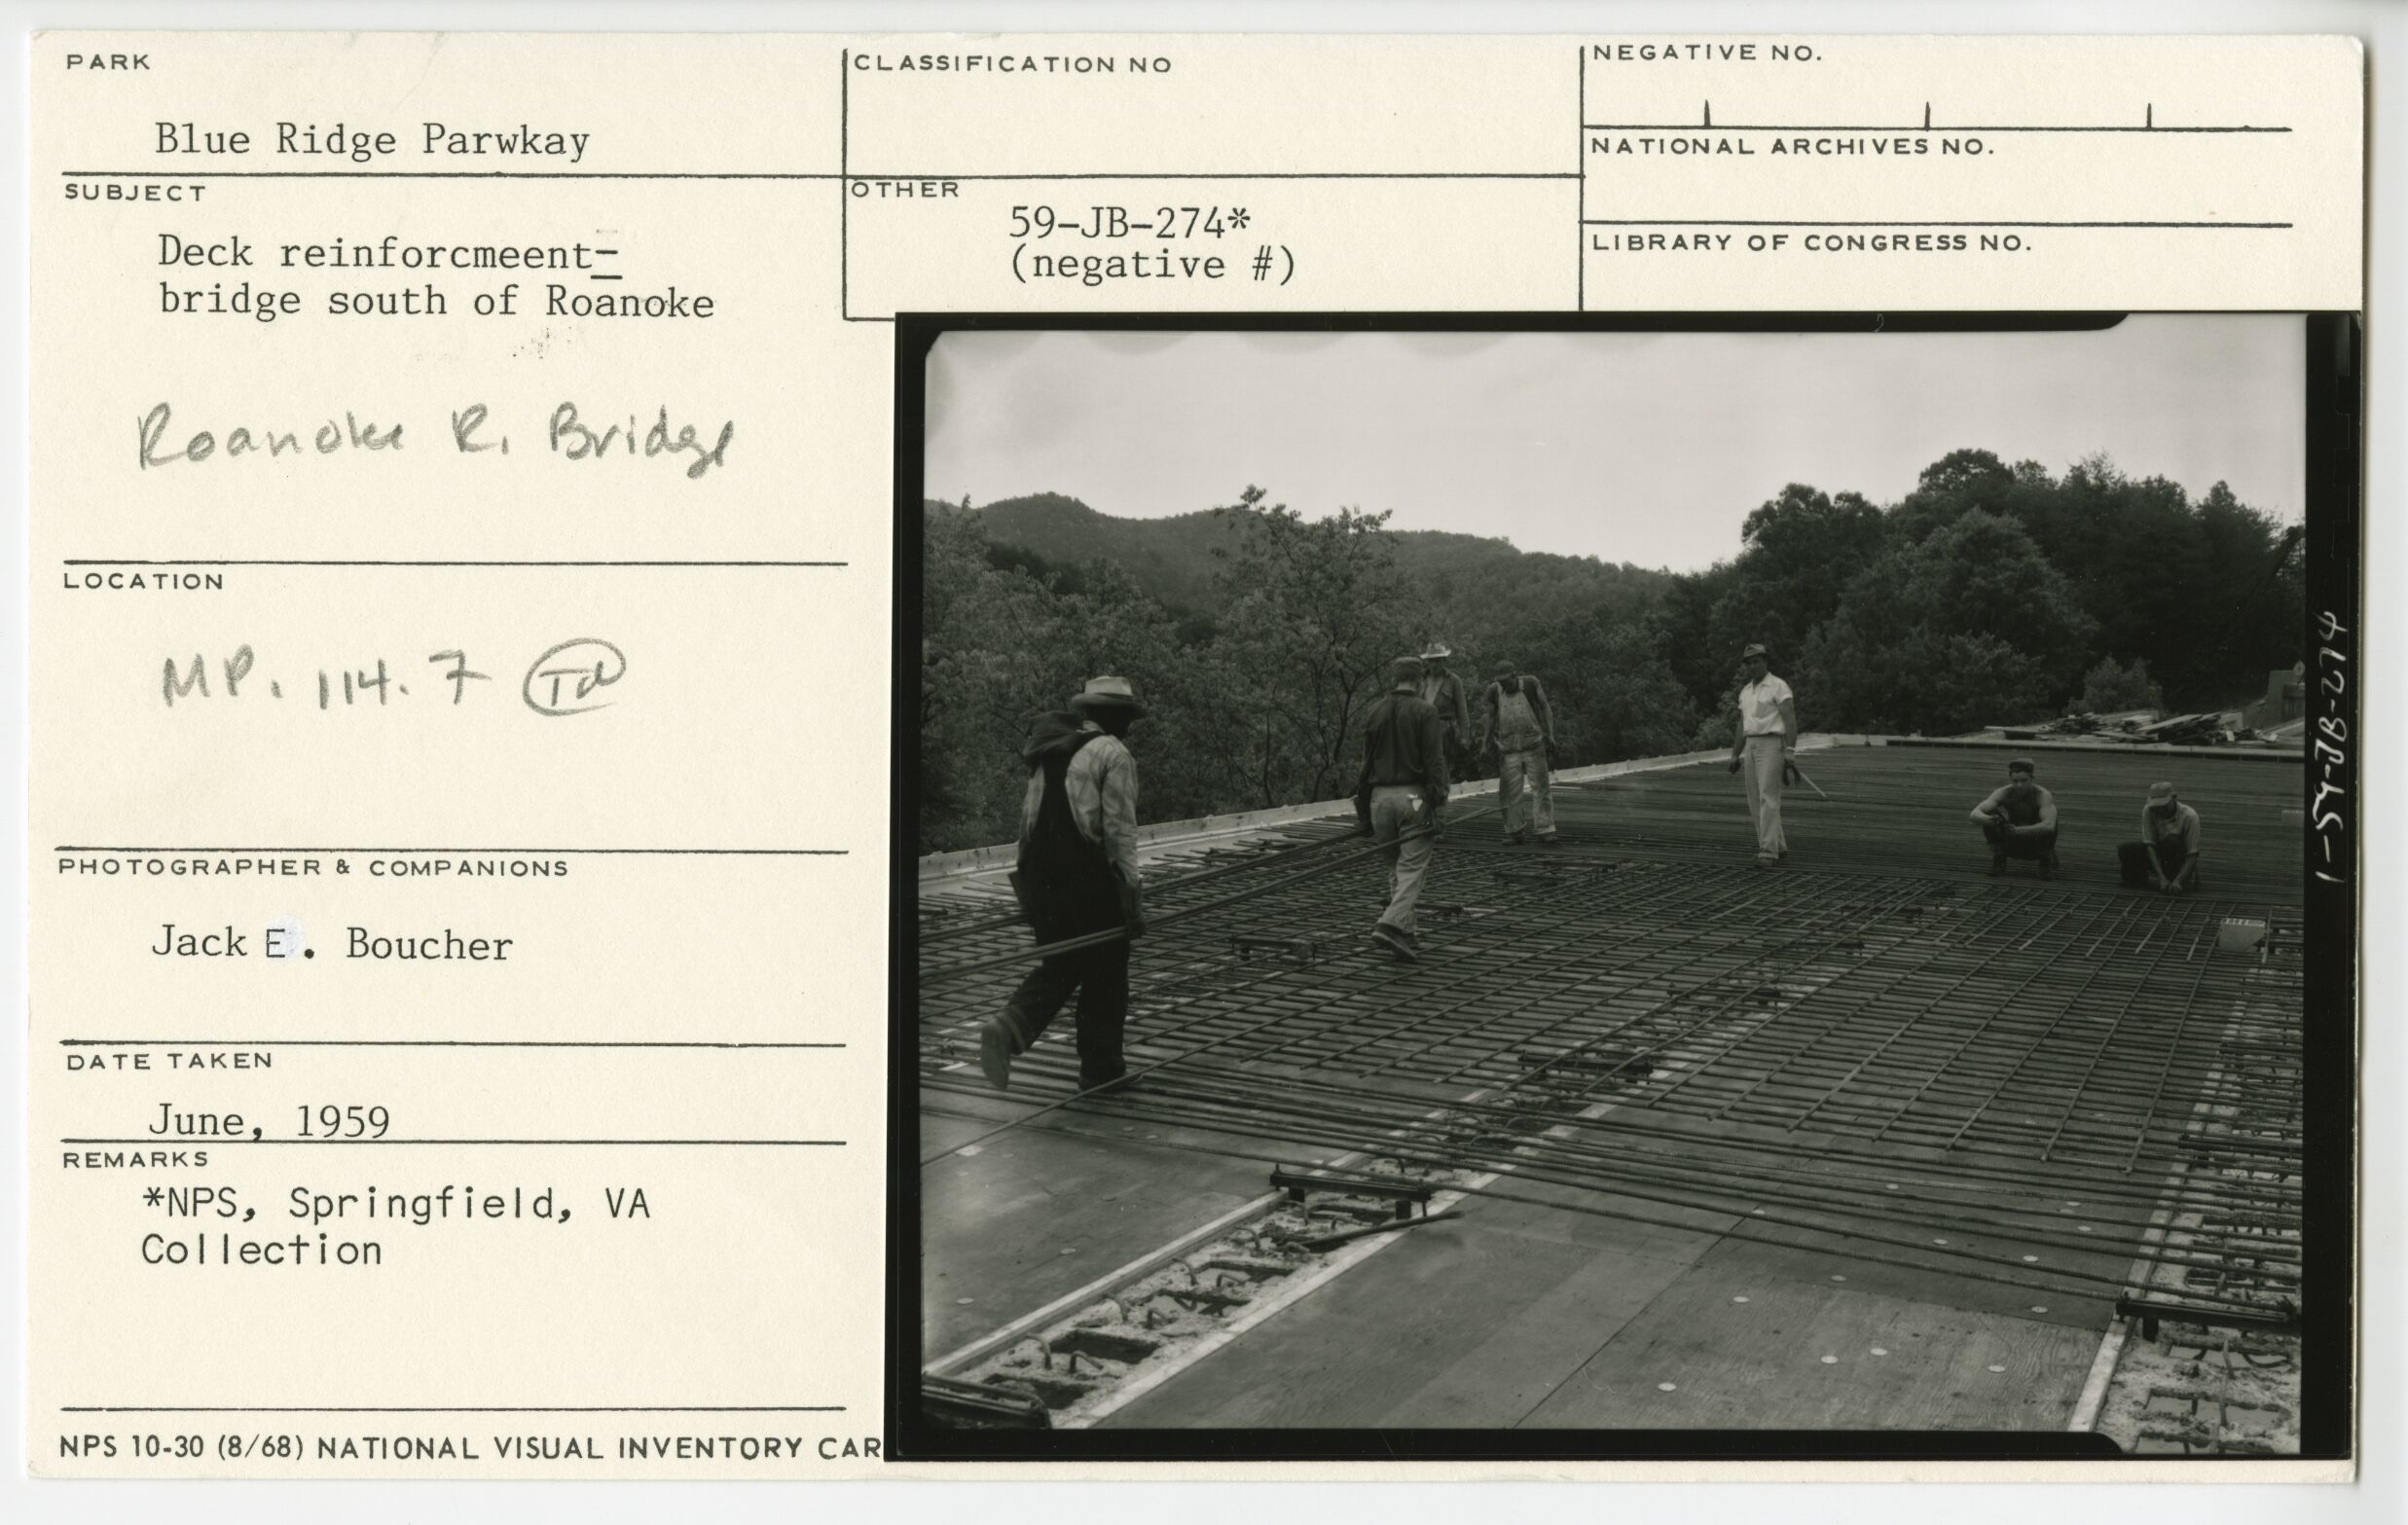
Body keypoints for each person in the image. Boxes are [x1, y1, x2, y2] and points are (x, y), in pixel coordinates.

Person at [979, 676, 1148, 1093]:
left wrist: (1029, 893)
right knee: (1107, 973)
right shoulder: (1114, 754)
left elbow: (1027, 823)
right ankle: (1101, 1071)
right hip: (1088, 880)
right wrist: (1132, 901)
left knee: (1064, 962)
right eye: (1124, 716)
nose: (1128, 725)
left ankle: (1007, 1028)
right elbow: (1119, 835)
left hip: (1042, 878)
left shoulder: (1049, 751)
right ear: (1107, 716)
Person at [1356, 655, 1450, 962]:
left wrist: (1362, 814)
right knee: (1412, 869)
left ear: (1393, 680)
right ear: (1420, 680)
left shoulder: (1375, 712)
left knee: (1395, 868)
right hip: (1413, 797)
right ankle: (1389, 924)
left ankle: (1407, 931)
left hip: (1379, 799)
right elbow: (1435, 763)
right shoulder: (1426, 711)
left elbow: (1365, 765)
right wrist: (1439, 804)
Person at [1725, 643, 1797, 866]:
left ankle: (1767, 851)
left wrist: (1791, 751)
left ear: (1765, 661)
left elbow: (1789, 718)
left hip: (1772, 743)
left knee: (1768, 797)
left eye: (1756, 661)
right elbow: (1742, 725)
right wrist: (1735, 754)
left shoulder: (1778, 686)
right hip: (1751, 745)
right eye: (1749, 662)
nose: (1752, 666)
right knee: (1756, 798)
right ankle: (1779, 846)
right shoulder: (1746, 691)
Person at [1480, 662, 1558, 845]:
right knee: (1509, 792)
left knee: (1541, 787)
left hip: (1533, 745)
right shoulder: (1494, 691)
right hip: (1508, 749)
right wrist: (1484, 744)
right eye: (1501, 682)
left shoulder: (1531, 683)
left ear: (1515, 676)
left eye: (1507, 681)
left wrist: (1551, 734)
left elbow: (1545, 706)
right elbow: (1491, 718)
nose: (1504, 685)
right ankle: (1515, 831)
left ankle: (1545, 828)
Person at [1970, 757, 2061, 879]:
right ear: (2010, 779)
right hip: (2011, 839)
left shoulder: (2042, 795)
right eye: (2015, 781)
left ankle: (2045, 860)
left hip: (2035, 841)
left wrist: (2018, 831)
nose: (2019, 785)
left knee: (2052, 814)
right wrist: (1990, 820)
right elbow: (1974, 814)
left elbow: (2049, 826)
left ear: (2032, 778)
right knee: (1990, 815)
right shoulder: (2003, 792)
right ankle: (1999, 859)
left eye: (2024, 780)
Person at [2119, 781, 2204, 892]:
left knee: (2172, 841)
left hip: (2178, 857)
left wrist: (2179, 880)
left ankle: (2181, 880)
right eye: (2156, 807)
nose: (2160, 810)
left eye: (2164, 806)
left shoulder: (2190, 816)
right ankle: (2139, 881)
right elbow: (2150, 845)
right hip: (2160, 853)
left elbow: (2192, 854)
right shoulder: (2149, 810)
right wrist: (2161, 878)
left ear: (2174, 798)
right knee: (2125, 849)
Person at [1418, 642, 1475, 779]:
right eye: (1430, 661)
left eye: (1437, 661)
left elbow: (1462, 712)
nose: (1433, 665)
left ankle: (1441, 796)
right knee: (1421, 769)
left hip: (1444, 731)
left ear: (1444, 661)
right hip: (1421, 730)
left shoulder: (1454, 681)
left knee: (1442, 769)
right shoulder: (1420, 679)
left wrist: (1465, 738)